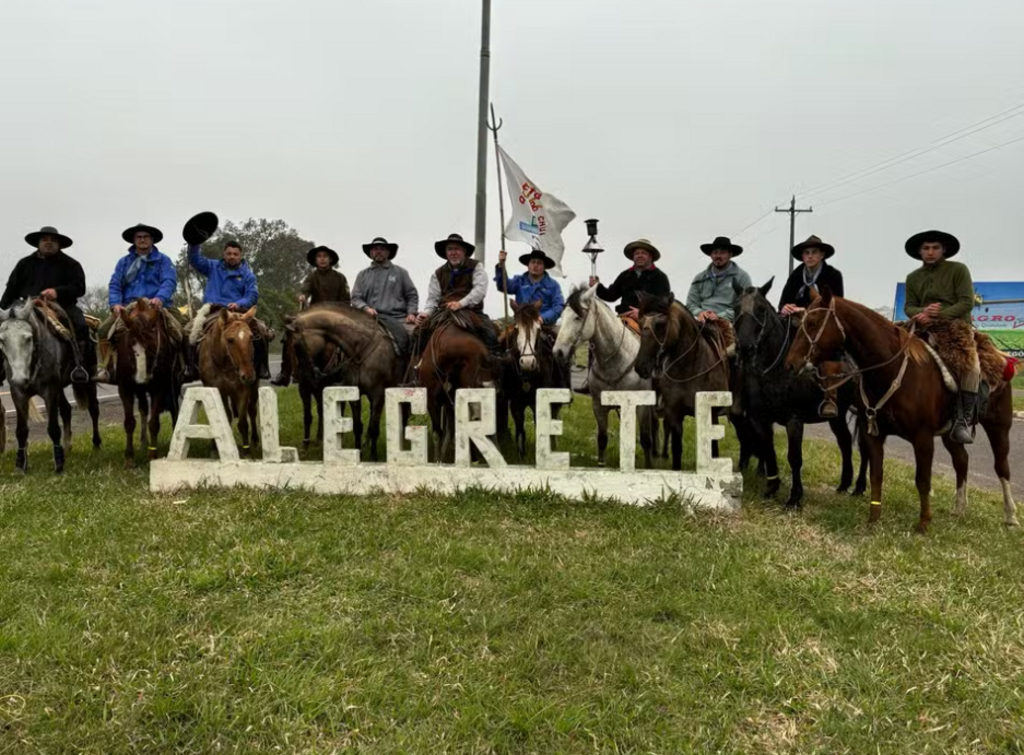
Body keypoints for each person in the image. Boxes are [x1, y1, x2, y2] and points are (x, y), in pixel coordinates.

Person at [903, 230, 978, 444]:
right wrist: (921, 313)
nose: (930, 252)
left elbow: (967, 302)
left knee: (971, 367)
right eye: (926, 248)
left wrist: (938, 315)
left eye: (935, 247)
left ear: (943, 250)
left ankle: (962, 420)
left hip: (956, 327)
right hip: (922, 326)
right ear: (919, 252)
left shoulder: (958, 270)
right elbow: (909, 306)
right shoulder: (913, 277)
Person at [0, 226, 92, 384]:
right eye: (44, 239)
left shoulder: (71, 264)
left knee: (81, 325)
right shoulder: (24, 264)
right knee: (5, 331)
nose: (48, 243)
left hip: (61, 304)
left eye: (53, 240)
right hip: (25, 305)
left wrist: (57, 291)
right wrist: (3, 309)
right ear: (38, 243)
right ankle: (1, 370)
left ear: (59, 244)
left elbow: (79, 287)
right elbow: (11, 289)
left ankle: (80, 366)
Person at [96, 223, 183, 383]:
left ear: (152, 240)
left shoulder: (163, 260)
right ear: (134, 240)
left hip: (157, 304)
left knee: (182, 330)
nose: (142, 240)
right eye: (139, 237)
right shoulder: (123, 262)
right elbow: (115, 284)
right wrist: (115, 304)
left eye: (146, 237)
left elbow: (169, 281)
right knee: (103, 331)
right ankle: (106, 368)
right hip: (129, 306)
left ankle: (183, 367)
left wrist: (160, 298)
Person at [186, 240, 271, 380]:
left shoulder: (248, 275)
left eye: (235, 254)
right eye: (229, 253)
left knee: (261, 330)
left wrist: (238, 303)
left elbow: (252, 295)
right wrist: (194, 243)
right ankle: (191, 368)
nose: (232, 256)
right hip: (211, 309)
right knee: (188, 331)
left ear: (240, 256)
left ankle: (261, 367)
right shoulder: (212, 266)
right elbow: (195, 260)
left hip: (238, 312)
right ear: (224, 254)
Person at [270, 245, 351, 386]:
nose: (322, 259)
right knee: (290, 333)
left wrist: (337, 313)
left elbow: (346, 301)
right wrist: (302, 296)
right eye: (319, 256)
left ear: (330, 259)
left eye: (325, 256)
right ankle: (285, 373)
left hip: (335, 319)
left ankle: (349, 373)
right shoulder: (312, 276)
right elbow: (304, 290)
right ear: (315, 260)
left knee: (352, 339)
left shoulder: (340, 278)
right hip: (315, 318)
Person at [414, 232, 499, 354]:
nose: (453, 252)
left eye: (457, 249)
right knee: (418, 335)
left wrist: (460, 304)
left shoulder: (476, 266)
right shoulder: (438, 273)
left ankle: (494, 359)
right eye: (450, 249)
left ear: (464, 251)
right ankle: (416, 363)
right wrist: (426, 313)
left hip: (471, 311)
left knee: (490, 335)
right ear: (446, 252)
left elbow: (479, 290)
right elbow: (433, 298)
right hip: (444, 311)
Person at [350, 236, 419, 356]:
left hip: (398, 318)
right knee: (347, 340)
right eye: (375, 249)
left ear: (388, 252)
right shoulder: (362, 275)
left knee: (417, 335)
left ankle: (412, 366)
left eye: (382, 249)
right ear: (371, 252)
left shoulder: (400, 272)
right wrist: (365, 308)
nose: (378, 251)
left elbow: (412, 295)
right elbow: (356, 297)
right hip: (370, 318)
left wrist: (411, 313)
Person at [589, 238, 671, 320]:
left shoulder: (660, 277)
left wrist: (641, 313)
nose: (640, 256)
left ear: (650, 257)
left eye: (644, 253)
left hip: (649, 320)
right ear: (633, 257)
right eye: (637, 253)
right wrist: (597, 286)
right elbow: (611, 295)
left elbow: (662, 304)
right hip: (624, 317)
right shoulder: (625, 275)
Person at [686, 236, 751, 324]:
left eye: (723, 253)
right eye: (715, 252)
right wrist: (700, 313)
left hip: (730, 323)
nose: (718, 256)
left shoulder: (742, 277)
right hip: (702, 322)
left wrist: (720, 316)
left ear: (730, 255)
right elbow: (690, 304)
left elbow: (746, 305)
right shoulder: (700, 278)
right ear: (711, 255)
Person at [495, 247, 565, 326]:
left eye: (539, 263)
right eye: (533, 262)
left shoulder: (553, 285)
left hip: (545, 325)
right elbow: (503, 286)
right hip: (521, 322)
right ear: (528, 265)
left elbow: (559, 306)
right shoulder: (519, 281)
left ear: (544, 267)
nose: (535, 265)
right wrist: (501, 266)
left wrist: (542, 318)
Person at [779, 235, 845, 315]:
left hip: (824, 319)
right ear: (802, 256)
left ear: (822, 255)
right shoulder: (795, 276)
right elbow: (783, 303)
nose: (810, 256)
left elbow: (837, 307)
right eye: (807, 253)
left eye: (814, 252)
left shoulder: (833, 275)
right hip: (796, 318)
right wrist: (784, 308)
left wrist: (806, 311)